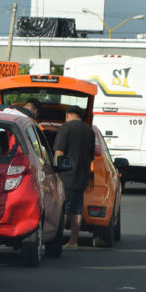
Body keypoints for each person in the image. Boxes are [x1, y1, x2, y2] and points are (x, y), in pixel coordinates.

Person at [53, 105, 95, 248]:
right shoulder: (89, 131)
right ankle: (73, 241)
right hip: (82, 176)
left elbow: (59, 152)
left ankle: (56, 240)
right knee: (76, 209)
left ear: (67, 115)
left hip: (66, 175)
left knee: (63, 208)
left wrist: (54, 170)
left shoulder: (66, 128)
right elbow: (91, 156)